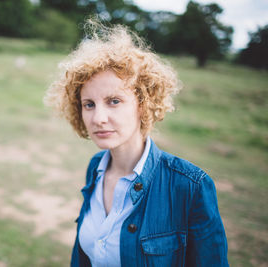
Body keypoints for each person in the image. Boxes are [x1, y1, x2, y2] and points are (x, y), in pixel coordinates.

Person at [44, 20, 229, 267]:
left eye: (114, 101)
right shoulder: (96, 167)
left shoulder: (190, 186)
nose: (98, 118)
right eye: (89, 104)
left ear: (143, 104)